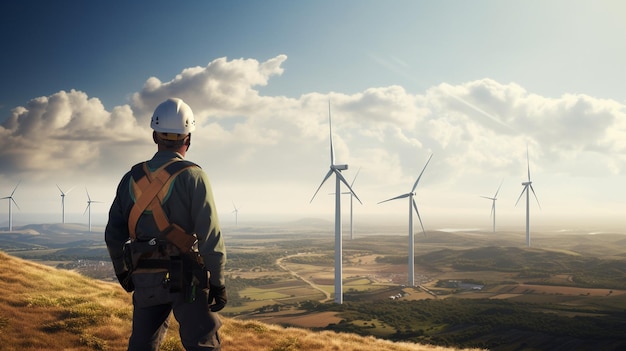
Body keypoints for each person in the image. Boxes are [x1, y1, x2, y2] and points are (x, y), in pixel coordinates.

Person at [105, 97, 227, 351]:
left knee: (142, 345)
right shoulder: (194, 176)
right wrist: (217, 281)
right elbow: (210, 237)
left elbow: (113, 236)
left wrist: (123, 273)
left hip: (144, 274)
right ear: (188, 139)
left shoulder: (130, 178)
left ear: (154, 136)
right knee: (203, 344)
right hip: (186, 278)